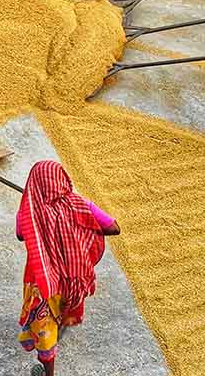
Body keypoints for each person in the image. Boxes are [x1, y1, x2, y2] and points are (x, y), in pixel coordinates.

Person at [15, 160, 121, 376]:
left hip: (43, 282)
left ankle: (49, 373)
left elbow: (20, 235)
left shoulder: (28, 214)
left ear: (33, 184)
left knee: (44, 330)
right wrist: (80, 231)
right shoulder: (81, 205)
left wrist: (34, 210)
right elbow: (113, 228)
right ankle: (60, 327)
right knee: (62, 311)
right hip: (74, 277)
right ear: (62, 179)